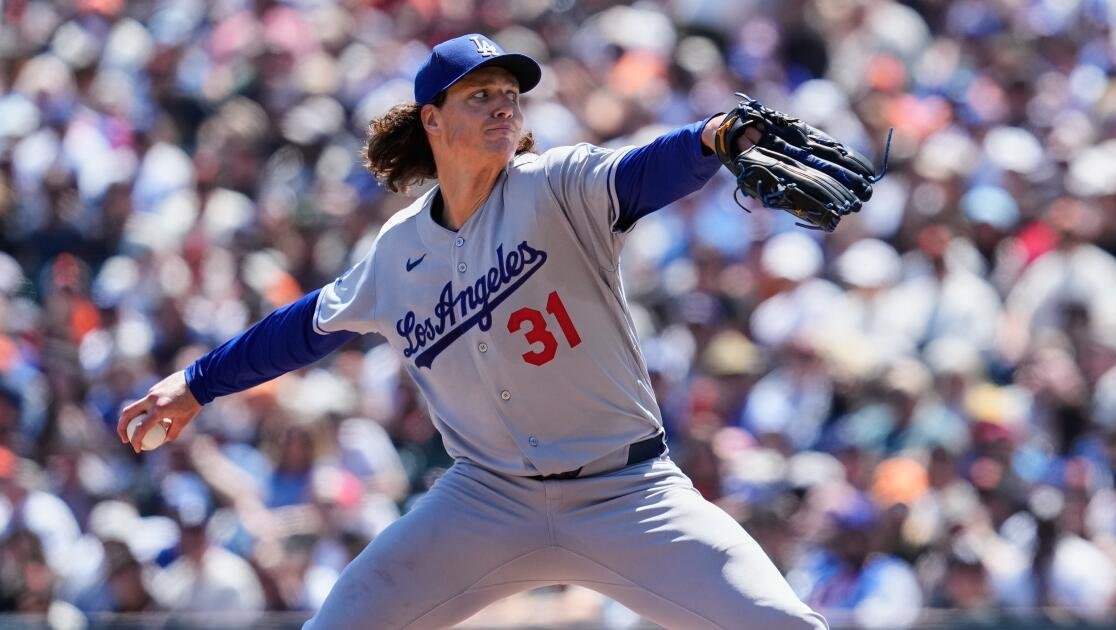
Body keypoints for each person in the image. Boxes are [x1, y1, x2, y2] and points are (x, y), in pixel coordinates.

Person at [119, 33, 829, 629]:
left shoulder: (557, 186)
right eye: (480, 94)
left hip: (628, 492)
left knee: (783, 625)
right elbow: (302, 328)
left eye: (510, 94)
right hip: (487, 500)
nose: (503, 105)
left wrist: (711, 137)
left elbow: (644, 171)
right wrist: (196, 384)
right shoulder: (399, 251)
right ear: (432, 119)